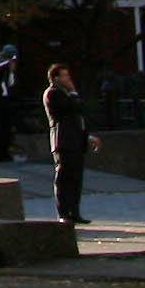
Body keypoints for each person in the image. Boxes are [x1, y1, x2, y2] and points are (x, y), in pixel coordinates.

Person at [43, 62, 91, 227]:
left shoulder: (68, 94)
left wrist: (88, 137)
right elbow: (69, 108)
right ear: (55, 78)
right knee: (63, 178)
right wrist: (73, 92)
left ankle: (75, 211)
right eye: (64, 76)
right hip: (62, 141)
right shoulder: (53, 93)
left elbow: (80, 111)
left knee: (76, 178)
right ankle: (63, 212)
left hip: (76, 140)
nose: (68, 79)